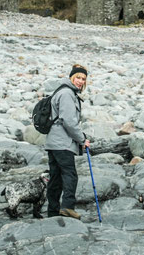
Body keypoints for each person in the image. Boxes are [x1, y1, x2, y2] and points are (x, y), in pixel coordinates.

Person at [45, 64, 91, 219]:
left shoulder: (64, 91)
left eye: (83, 79)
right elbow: (68, 121)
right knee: (70, 175)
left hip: (54, 142)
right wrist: (82, 139)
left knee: (55, 177)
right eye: (78, 77)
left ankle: (53, 211)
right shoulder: (67, 94)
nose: (80, 81)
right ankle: (67, 207)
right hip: (62, 143)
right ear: (72, 77)